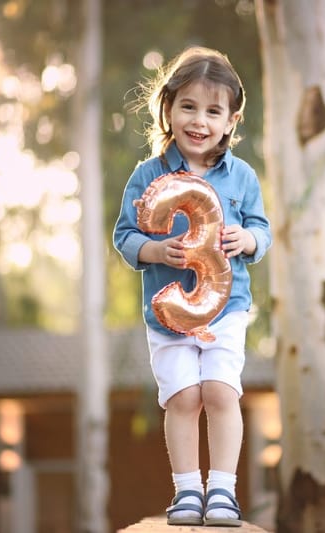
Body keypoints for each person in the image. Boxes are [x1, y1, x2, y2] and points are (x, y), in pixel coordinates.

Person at [113, 47, 271, 527]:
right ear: (168, 108)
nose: (199, 120)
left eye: (213, 111)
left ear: (231, 121)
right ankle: (186, 490)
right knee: (183, 397)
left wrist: (247, 240)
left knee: (220, 391)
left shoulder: (241, 176)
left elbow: (261, 230)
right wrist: (155, 250)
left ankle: (222, 490)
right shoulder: (148, 174)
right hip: (169, 313)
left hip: (226, 309)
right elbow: (124, 236)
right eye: (188, 106)